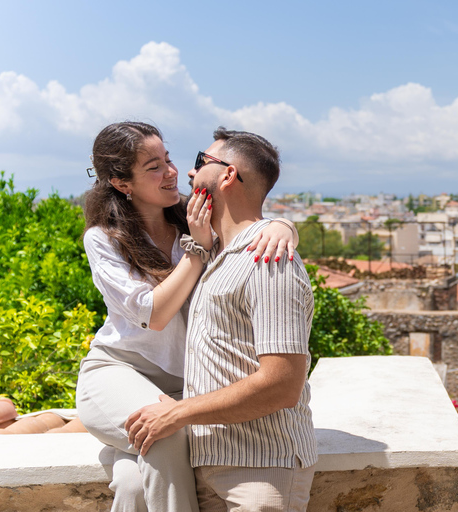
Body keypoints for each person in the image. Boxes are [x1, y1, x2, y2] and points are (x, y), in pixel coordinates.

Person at [76, 121, 299, 512]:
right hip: (120, 372)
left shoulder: (194, 213)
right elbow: (154, 314)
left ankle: (123, 455)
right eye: (153, 167)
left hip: (185, 385)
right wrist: (197, 250)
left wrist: (283, 227)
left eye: (168, 159)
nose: (172, 172)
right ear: (121, 182)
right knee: (166, 436)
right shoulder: (104, 238)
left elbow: (247, 218)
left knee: (132, 487)